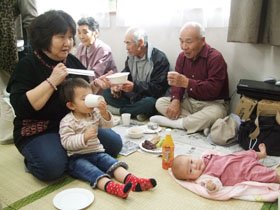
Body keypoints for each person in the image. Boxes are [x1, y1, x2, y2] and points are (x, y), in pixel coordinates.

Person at [6, 10, 122, 182]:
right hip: (40, 129)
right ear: (45, 38)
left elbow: (82, 98)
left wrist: (95, 87)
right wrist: (52, 81)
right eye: (61, 37)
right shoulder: (28, 64)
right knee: (51, 168)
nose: (68, 43)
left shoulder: (72, 62)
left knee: (114, 144)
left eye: (70, 37)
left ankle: (68, 152)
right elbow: (21, 107)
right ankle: (46, 156)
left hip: (74, 124)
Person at [59, 78, 157, 198]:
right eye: (84, 99)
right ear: (71, 105)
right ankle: (114, 188)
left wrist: (104, 112)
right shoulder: (67, 121)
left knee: (114, 164)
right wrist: (83, 137)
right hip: (77, 158)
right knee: (93, 172)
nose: (89, 101)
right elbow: (66, 142)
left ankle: (133, 181)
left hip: (97, 152)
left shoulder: (94, 113)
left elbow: (107, 125)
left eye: (90, 96)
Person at [150, 22, 229, 134]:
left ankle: (177, 123)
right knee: (160, 103)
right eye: (181, 41)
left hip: (213, 103)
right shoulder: (182, 57)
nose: (184, 47)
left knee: (216, 113)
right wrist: (176, 99)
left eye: (188, 42)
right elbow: (176, 85)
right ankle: (201, 125)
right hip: (191, 102)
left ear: (202, 41)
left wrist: (187, 83)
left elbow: (213, 90)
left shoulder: (215, 58)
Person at [103, 27, 170, 121]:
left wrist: (135, 87)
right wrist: (117, 86)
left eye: (128, 43)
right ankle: (138, 112)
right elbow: (125, 76)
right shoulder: (131, 57)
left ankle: (118, 111)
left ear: (141, 42)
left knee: (149, 103)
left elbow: (158, 89)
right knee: (106, 92)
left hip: (149, 98)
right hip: (133, 97)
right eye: (125, 43)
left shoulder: (159, 59)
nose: (126, 47)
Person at [171, 144, 280, 193]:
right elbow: (216, 184)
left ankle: (261, 154)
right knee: (262, 174)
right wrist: (211, 187)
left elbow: (217, 154)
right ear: (190, 179)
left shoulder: (204, 156)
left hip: (236, 158)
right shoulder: (204, 178)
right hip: (242, 171)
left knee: (246, 153)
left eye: (191, 161)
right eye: (190, 170)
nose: (194, 165)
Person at [76, 17, 118, 81]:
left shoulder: (103, 50)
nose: (81, 37)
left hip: (106, 85)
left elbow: (95, 76)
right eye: (79, 33)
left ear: (96, 33)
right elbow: (77, 69)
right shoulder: (80, 47)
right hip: (87, 83)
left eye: (85, 32)